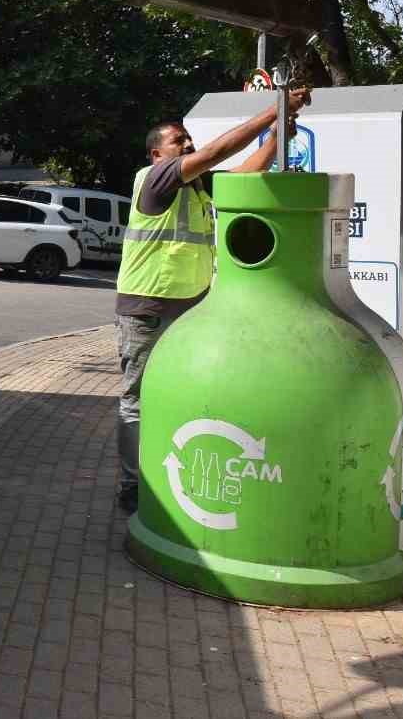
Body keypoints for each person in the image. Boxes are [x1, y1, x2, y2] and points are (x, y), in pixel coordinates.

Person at [113, 88, 310, 512]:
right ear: (156, 154)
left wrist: (277, 136)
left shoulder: (197, 192)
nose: (188, 144)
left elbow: (243, 172)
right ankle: (133, 486)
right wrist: (275, 108)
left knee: (180, 395)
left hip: (189, 310)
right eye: (177, 141)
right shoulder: (155, 179)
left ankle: (165, 475)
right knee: (137, 402)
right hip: (148, 310)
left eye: (188, 139)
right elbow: (221, 150)